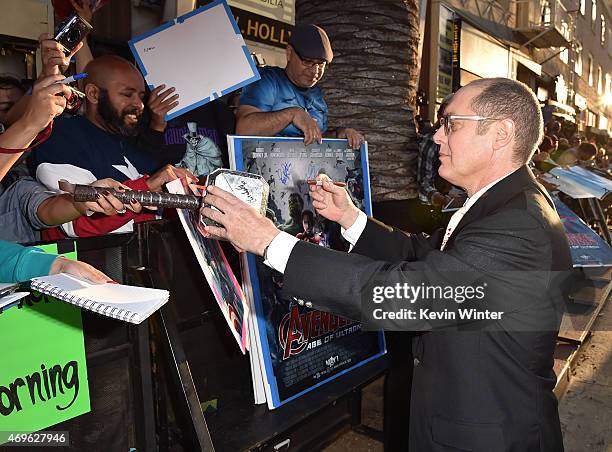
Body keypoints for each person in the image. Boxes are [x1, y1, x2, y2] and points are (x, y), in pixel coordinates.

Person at [201, 78, 572, 451]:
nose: (437, 137)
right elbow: (424, 256)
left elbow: (410, 294)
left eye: (451, 124)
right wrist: (351, 218)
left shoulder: (518, 224)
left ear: (501, 134)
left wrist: (269, 241)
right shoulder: (502, 204)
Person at [30, 55, 193, 239]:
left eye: (141, 96)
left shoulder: (130, 139)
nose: (139, 105)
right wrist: (145, 187)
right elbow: (75, 225)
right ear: (93, 94)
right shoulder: (61, 135)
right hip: (86, 263)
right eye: (127, 94)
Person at [236, 24, 364, 148]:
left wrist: (340, 134)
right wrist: (292, 114)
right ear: (289, 53)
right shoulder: (268, 80)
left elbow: (316, 137)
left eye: (321, 64)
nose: (315, 71)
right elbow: (244, 130)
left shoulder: (316, 94)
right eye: (307, 61)